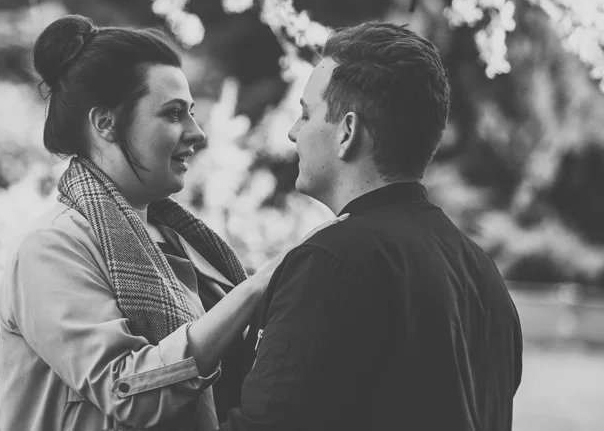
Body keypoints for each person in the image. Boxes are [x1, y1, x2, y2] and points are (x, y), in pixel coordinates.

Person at [223, 21, 523, 430]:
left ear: (347, 132)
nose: (293, 133)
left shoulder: (331, 263)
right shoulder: (482, 274)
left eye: (306, 114)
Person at [0, 15, 282, 431]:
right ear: (105, 123)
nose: (197, 133)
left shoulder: (184, 242)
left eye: (191, 113)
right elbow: (131, 393)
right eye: (173, 114)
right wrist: (255, 289)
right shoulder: (51, 247)